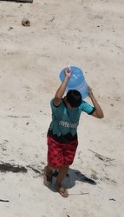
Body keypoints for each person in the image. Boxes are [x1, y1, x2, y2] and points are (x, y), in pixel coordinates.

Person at [44, 67, 105, 198]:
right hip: (55, 138)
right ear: (66, 101)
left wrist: (92, 96)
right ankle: (48, 170)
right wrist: (66, 78)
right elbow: (57, 96)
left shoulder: (80, 104)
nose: (76, 109)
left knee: (66, 164)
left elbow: (100, 115)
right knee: (55, 164)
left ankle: (58, 184)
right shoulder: (57, 105)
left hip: (71, 141)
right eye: (74, 107)